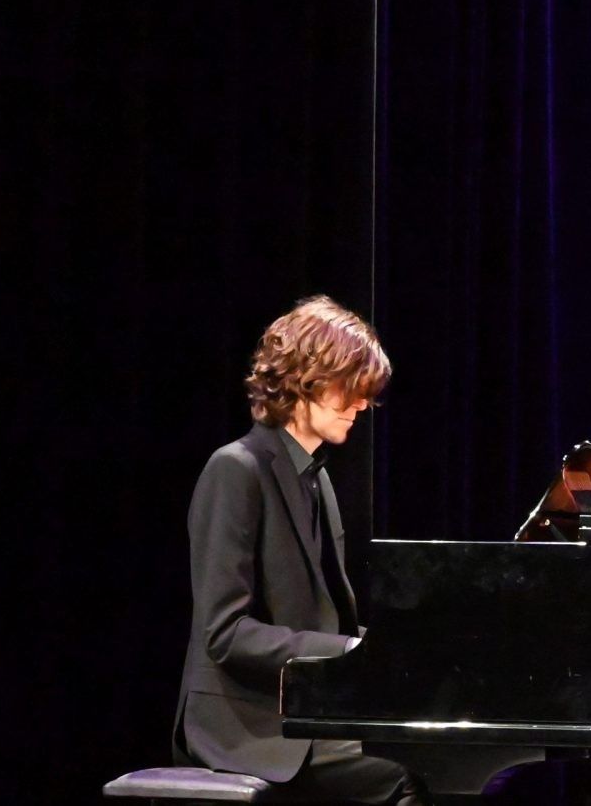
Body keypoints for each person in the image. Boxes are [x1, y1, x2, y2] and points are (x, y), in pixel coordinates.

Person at [173, 295, 430, 804]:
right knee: (408, 776)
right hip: (248, 728)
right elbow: (225, 633)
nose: (363, 404)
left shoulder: (315, 479)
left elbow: (325, 620)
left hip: (306, 716)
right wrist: (350, 653)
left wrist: (400, 648)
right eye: (352, 388)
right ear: (307, 379)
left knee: (432, 757)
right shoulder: (236, 469)